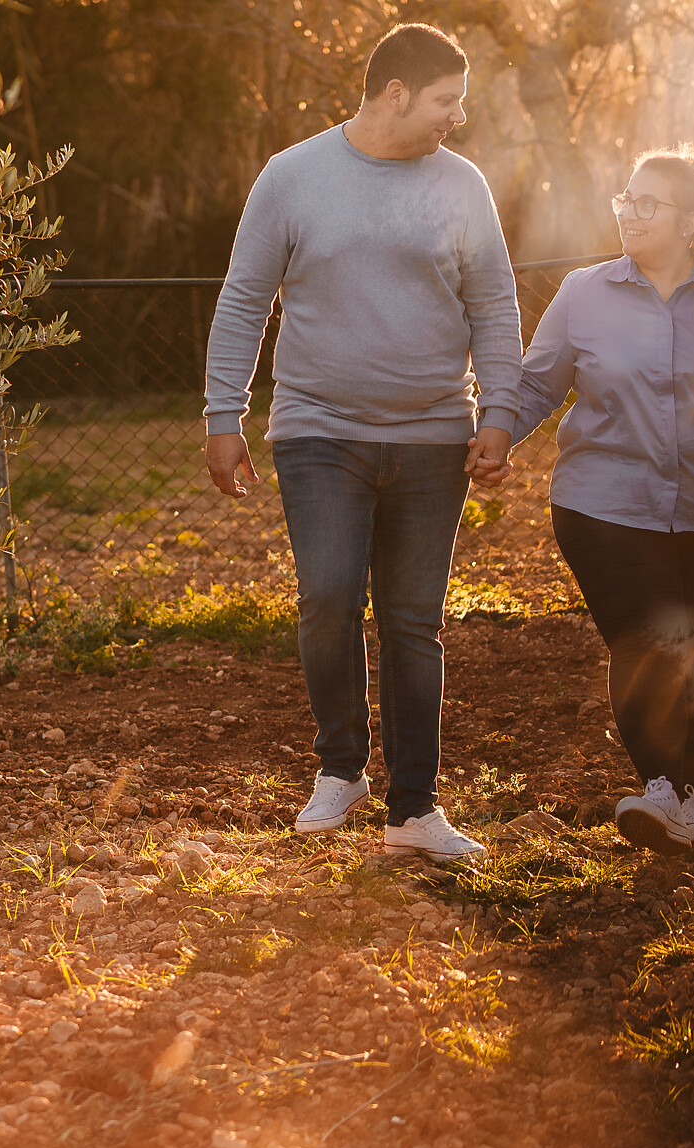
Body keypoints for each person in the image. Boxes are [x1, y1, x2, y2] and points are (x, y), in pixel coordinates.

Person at [203, 23, 520, 862]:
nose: (457, 116)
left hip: (430, 435)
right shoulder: (293, 176)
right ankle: (341, 767)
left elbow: (493, 304)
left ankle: (415, 809)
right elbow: (244, 299)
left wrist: (498, 414)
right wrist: (221, 414)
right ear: (394, 94)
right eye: (446, 101)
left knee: (414, 623)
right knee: (330, 595)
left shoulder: (462, 185)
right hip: (319, 430)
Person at [511, 145, 694, 855]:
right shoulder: (583, 293)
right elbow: (534, 386)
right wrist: (489, 439)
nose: (628, 213)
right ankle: (657, 788)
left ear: (689, 220)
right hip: (602, 505)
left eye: (646, 203)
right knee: (644, 642)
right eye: (625, 199)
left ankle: (693, 799)